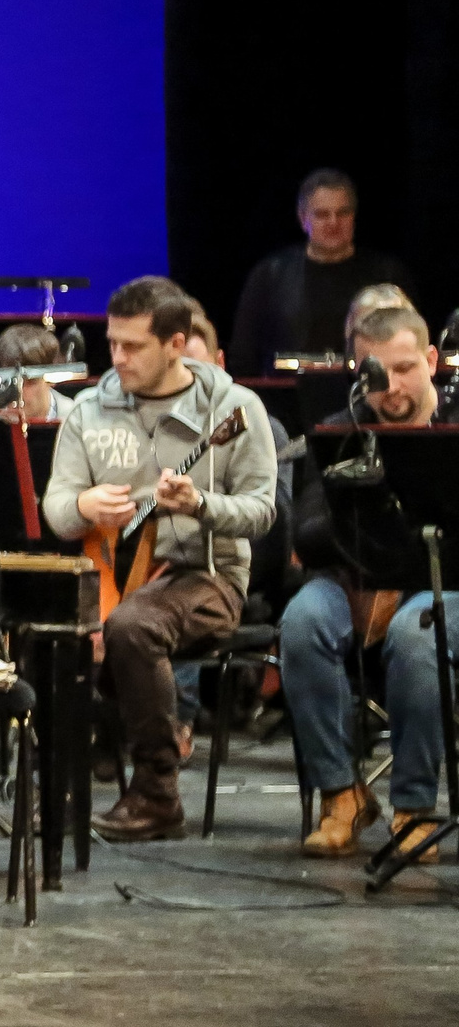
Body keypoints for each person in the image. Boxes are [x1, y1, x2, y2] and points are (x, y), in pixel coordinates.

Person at [43, 277, 276, 842]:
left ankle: (157, 793)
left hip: (206, 576)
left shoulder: (236, 409)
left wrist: (201, 504)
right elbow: (55, 507)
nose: (116, 358)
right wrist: (83, 504)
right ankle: (56, 792)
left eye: (133, 347)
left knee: (132, 627)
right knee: (46, 631)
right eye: (113, 344)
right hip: (113, 572)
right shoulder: (89, 413)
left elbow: (263, 511)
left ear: (176, 344)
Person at [281, 304, 448, 861]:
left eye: (405, 368)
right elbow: (304, 533)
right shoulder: (340, 430)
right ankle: (342, 794)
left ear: (431, 360)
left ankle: (415, 807)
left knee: (416, 635)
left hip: (442, 582)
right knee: (302, 622)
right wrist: (361, 502)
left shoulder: (455, 428)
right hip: (355, 581)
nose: (392, 386)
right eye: (377, 374)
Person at [230, 169, 421, 375]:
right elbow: (243, 356)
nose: (333, 223)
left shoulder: (387, 274)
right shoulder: (269, 275)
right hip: (284, 400)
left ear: (354, 216)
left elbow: (413, 345)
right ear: (303, 218)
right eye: (322, 214)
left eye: (342, 213)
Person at [0, 323, 74, 422]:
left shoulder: (76, 419)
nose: (17, 393)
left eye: (30, 381)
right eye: (9, 382)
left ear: (51, 379)